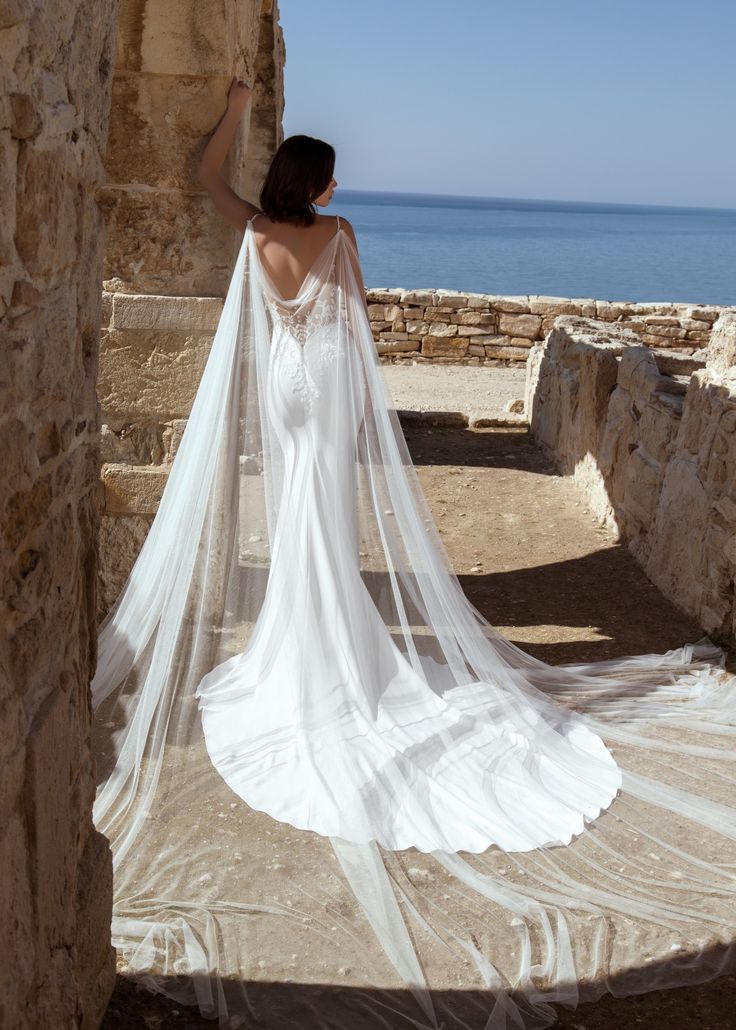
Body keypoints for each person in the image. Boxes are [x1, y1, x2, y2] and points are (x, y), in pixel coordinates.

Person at [91, 77, 736, 1030]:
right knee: (324, 513)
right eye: (334, 174)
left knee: (295, 512)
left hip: (280, 384)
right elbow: (350, 326)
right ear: (318, 185)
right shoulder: (337, 238)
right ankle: (326, 645)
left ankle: (296, 644)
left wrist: (231, 111)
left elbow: (202, 178)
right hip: (321, 382)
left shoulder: (255, 231)